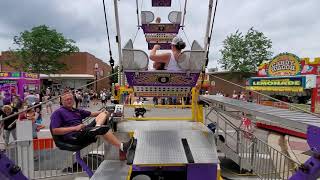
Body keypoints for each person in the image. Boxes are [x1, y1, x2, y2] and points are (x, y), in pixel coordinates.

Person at [50, 93, 133, 157]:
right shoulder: (58, 113)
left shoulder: (76, 110)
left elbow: (93, 114)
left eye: (70, 99)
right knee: (104, 129)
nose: (69, 101)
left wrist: (109, 112)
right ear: (62, 102)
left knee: (103, 114)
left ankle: (96, 129)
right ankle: (122, 147)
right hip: (74, 136)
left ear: (74, 100)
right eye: (66, 100)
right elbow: (55, 131)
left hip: (83, 131)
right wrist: (75, 128)